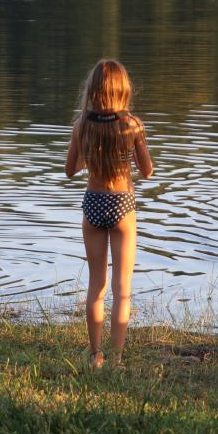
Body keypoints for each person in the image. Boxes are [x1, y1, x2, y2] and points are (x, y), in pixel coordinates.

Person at [65, 59, 154, 370]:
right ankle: (116, 359)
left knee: (96, 287)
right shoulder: (132, 125)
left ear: (92, 91)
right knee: (122, 290)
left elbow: (69, 170)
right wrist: (132, 146)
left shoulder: (82, 126)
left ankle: (95, 355)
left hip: (92, 203)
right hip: (122, 205)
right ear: (123, 91)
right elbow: (147, 171)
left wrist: (90, 156)